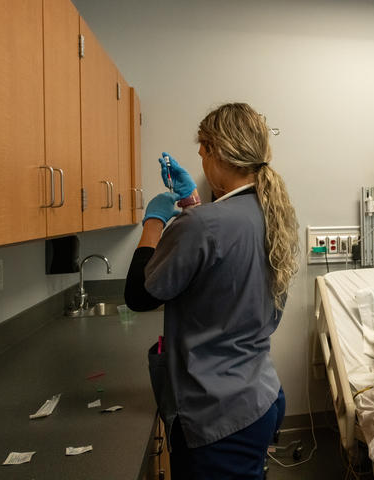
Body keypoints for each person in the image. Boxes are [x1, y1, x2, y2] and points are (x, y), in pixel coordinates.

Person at [124, 103, 299, 480]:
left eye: (202, 152)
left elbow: (140, 295)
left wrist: (154, 221)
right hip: (259, 394)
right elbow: (217, 265)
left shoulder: (202, 225)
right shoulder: (272, 213)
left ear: (216, 150)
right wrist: (192, 205)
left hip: (217, 412)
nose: (201, 162)